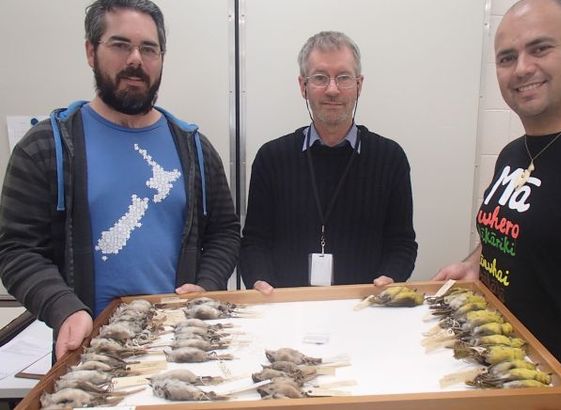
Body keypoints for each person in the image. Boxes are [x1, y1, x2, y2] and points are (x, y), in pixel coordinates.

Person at [0, 0, 239, 360]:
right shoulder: (45, 148)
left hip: (177, 348)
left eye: (148, 48)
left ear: (161, 57)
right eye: (120, 45)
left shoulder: (194, 149)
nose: (135, 60)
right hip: (87, 353)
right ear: (90, 51)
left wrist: (205, 285)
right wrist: (64, 307)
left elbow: (224, 232)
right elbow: (16, 251)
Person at [434, 1, 561, 408]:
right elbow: (513, 233)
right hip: (510, 380)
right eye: (507, 57)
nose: (521, 68)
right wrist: (473, 264)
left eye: (540, 49)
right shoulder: (514, 154)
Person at [239, 31, 417, 294]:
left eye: (343, 77)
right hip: (287, 309)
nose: (332, 89)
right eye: (320, 78)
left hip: (363, 309)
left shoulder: (390, 158)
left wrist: (390, 277)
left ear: (359, 85)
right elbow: (254, 241)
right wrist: (259, 279)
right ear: (303, 86)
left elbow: (402, 243)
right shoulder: (271, 158)